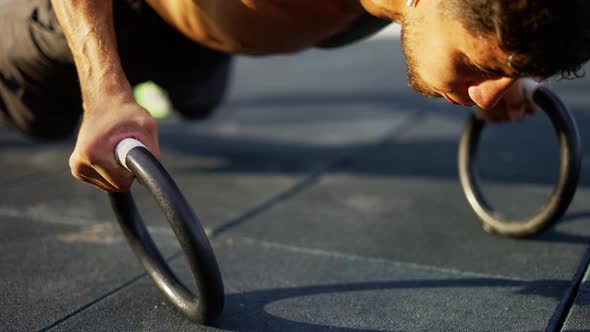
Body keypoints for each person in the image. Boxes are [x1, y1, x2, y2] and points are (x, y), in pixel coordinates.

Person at [1, 0, 589, 192]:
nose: (485, 97)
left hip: (215, 44)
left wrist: (515, 66)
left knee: (200, 100)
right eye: (473, 65)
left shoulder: (460, 12)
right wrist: (103, 88)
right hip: (122, 18)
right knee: (36, 116)